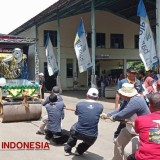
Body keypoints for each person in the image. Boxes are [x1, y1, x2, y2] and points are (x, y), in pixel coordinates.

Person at [103, 83, 150, 160]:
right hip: (130, 129)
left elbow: (123, 114)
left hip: (139, 132)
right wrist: (108, 114)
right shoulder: (127, 100)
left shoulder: (136, 101)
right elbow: (120, 110)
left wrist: (113, 117)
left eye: (121, 94)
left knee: (128, 152)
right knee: (118, 143)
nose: (120, 95)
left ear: (127, 94)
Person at [64, 88, 103, 156]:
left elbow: (76, 113)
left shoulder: (80, 104)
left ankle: (68, 149)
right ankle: (79, 151)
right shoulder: (100, 107)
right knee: (90, 140)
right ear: (97, 98)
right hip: (91, 135)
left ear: (87, 95)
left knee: (73, 130)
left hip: (77, 132)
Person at [127, 93, 160, 160]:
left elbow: (137, 131)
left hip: (144, 157)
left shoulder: (140, 119)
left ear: (150, 106)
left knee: (128, 154)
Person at [114, 67, 144, 140]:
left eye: (135, 73)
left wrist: (142, 102)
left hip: (136, 104)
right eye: (132, 73)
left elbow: (141, 93)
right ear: (128, 73)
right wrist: (116, 106)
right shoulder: (122, 82)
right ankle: (117, 134)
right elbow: (118, 94)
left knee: (133, 120)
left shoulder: (138, 82)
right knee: (123, 120)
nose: (134, 75)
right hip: (125, 104)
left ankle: (133, 135)